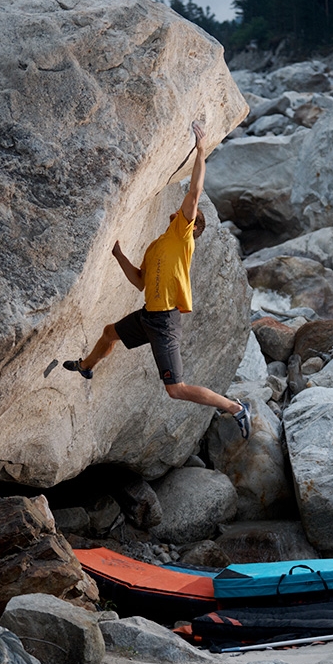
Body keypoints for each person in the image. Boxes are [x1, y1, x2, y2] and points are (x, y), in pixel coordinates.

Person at [63, 122, 252, 440]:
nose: (177, 213)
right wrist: (119, 255)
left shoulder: (182, 237)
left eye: (184, 215)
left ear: (190, 226)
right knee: (110, 334)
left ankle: (235, 407)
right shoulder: (157, 246)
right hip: (149, 315)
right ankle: (86, 366)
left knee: (175, 389)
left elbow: (195, 191)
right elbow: (139, 281)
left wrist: (201, 149)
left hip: (164, 322)